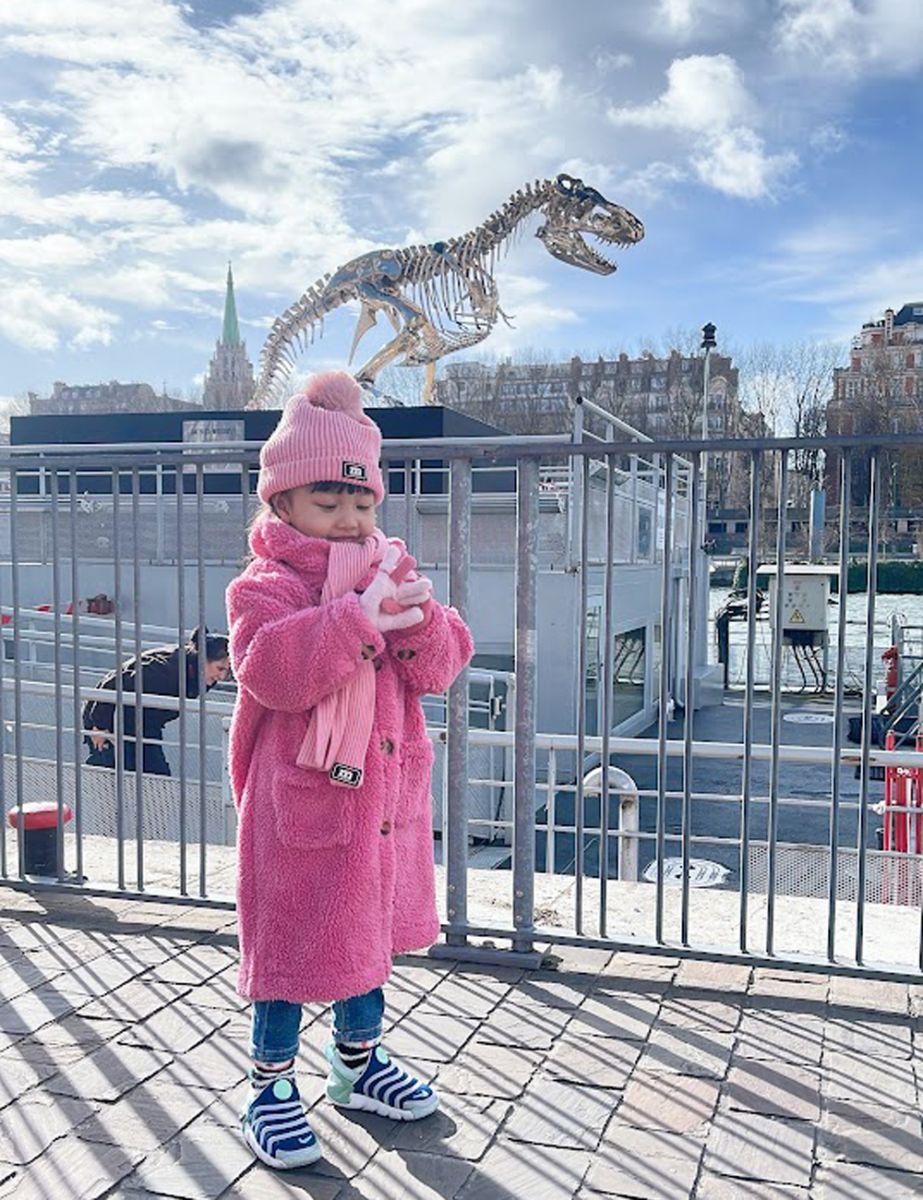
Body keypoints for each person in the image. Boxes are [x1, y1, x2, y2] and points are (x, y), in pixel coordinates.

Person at [226, 370, 473, 1170]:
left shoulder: (388, 571)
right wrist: (353, 619)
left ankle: (357, 1064)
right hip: (299, 806)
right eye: (328, 504)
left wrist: (418, 619)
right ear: (282, 505)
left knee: (365, 937)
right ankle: (269, 1085)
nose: (348, 521)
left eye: (361, 505)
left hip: (379, 803)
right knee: (293, 945)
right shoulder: (263, 587)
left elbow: (440, 667)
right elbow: (270, 672)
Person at [83, 630, 231, 776]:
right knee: (116, 771)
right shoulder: (165, 670)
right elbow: (115, 682)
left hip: (145, 722)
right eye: (220, 668)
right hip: (110, 717)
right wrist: (100, 726)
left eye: (228, 671)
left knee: (156, 777)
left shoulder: (202, 675)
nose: (223, 676)